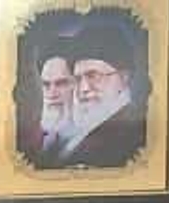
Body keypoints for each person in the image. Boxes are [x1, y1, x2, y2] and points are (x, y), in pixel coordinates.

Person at [56, 22, 148, 168]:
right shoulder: (88, 130)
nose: (83, 89)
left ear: (124, 77)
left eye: (93, 76)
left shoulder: (130, 135)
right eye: (78, 79)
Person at [22, 49, 76, 167]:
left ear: (77, 84)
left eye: (61, 83)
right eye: (46, 85)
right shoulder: (30, 136)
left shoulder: (94, 137)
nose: (52, 94)